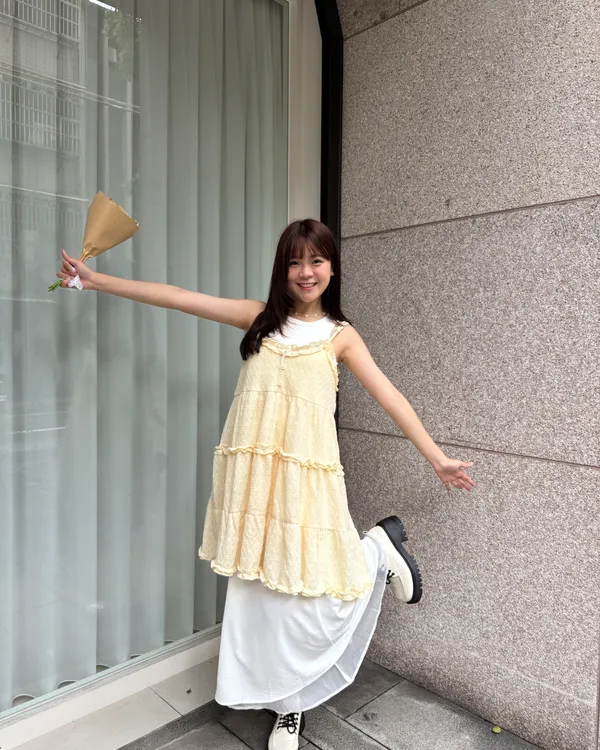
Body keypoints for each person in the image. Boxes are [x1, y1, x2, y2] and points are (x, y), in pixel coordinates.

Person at [56, 218, 475, 750]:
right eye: (296, 262)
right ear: (283, 269)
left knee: (309, 589)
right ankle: (288, 707)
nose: (306, 272)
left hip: (306, 477)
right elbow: (180, 298)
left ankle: (374, 552)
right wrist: (97, 281)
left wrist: (435, 458)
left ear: (332, 268)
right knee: (261, 594)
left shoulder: (340, 336)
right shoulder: (260, 320)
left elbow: (389, 395)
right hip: (254, 482)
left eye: (317, 261)